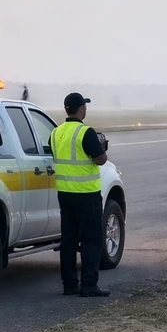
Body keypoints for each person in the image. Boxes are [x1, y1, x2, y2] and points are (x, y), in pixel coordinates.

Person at [48, 92, 110, 297]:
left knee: (68, 240)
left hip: (65, 193)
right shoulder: (85, 132)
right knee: (92, 240)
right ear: (81, 109)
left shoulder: (56, 132)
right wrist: (102, 149)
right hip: (86, 194)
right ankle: (89, 285)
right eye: (85, 106)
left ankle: (70, 284)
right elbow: (100, 159)